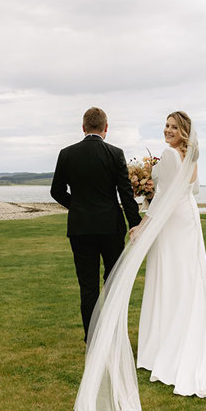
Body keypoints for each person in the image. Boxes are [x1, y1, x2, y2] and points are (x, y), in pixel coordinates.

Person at [73, 111, 206, 411]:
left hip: (171, 221)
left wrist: (142, 223)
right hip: (188, 220)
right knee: (186, 280)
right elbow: (191, 192)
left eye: (173, 127)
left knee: (167, 280)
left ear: (183, 132)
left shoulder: (168, 154)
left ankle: (163, 348)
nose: (167, 131)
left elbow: (163, 194)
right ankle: (178, 338)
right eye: (166, 126)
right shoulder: (190, 155)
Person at [50, 107, 141, 343]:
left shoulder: (66, 154)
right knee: (112, 282)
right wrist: (136, 223)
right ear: (106, 128)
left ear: (83, 128)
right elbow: (126, 193)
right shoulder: (115, 154)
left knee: (88, 286)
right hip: (111, 228)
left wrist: (77, 206)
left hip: (81, 229)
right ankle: (111, 336)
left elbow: (56, 191)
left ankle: (92, 339)